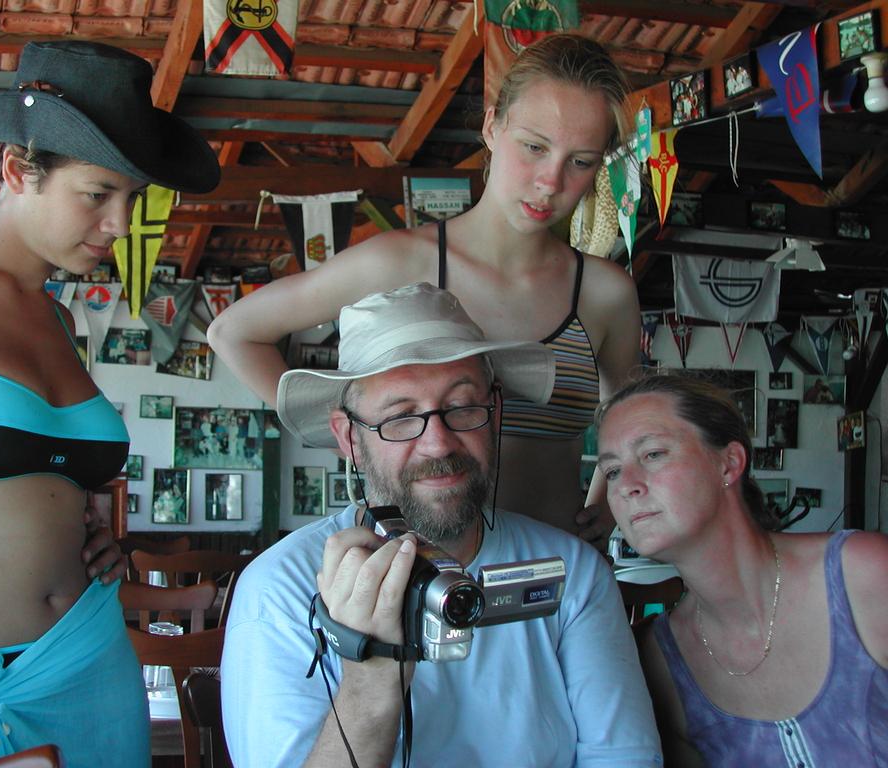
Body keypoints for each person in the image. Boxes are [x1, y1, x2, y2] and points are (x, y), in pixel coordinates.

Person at [0, 41, 218, 764]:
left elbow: (46, 484)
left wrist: (97, 542)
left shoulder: (60, 321)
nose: (120, 225)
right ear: (18, 169)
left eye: (133, 199)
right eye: (97, 194)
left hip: (92, 660)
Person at [207, 34, 642, 549]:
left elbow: (630, 418)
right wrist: (353, 439)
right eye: (534, 146)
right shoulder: (398, 263)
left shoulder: (605, 293)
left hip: (553, 581)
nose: (550, 180)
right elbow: (232, 332)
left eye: (581, 160)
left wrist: (611, 499)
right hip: (411, 580)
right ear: (491, 127)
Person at [220, 283, 661, 767]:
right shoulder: (279, 591)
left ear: (493, 414)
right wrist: (370, 680)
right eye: (401, 417)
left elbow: (625, 757)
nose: (438, 444)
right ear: (348, 438)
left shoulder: (571, 572)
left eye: (462, 407)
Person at [596, 374, 888, 766]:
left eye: (653, 454)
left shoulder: (862, 575)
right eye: (612, 471)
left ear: (729, 463)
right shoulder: (662, 660)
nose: (626, 485)